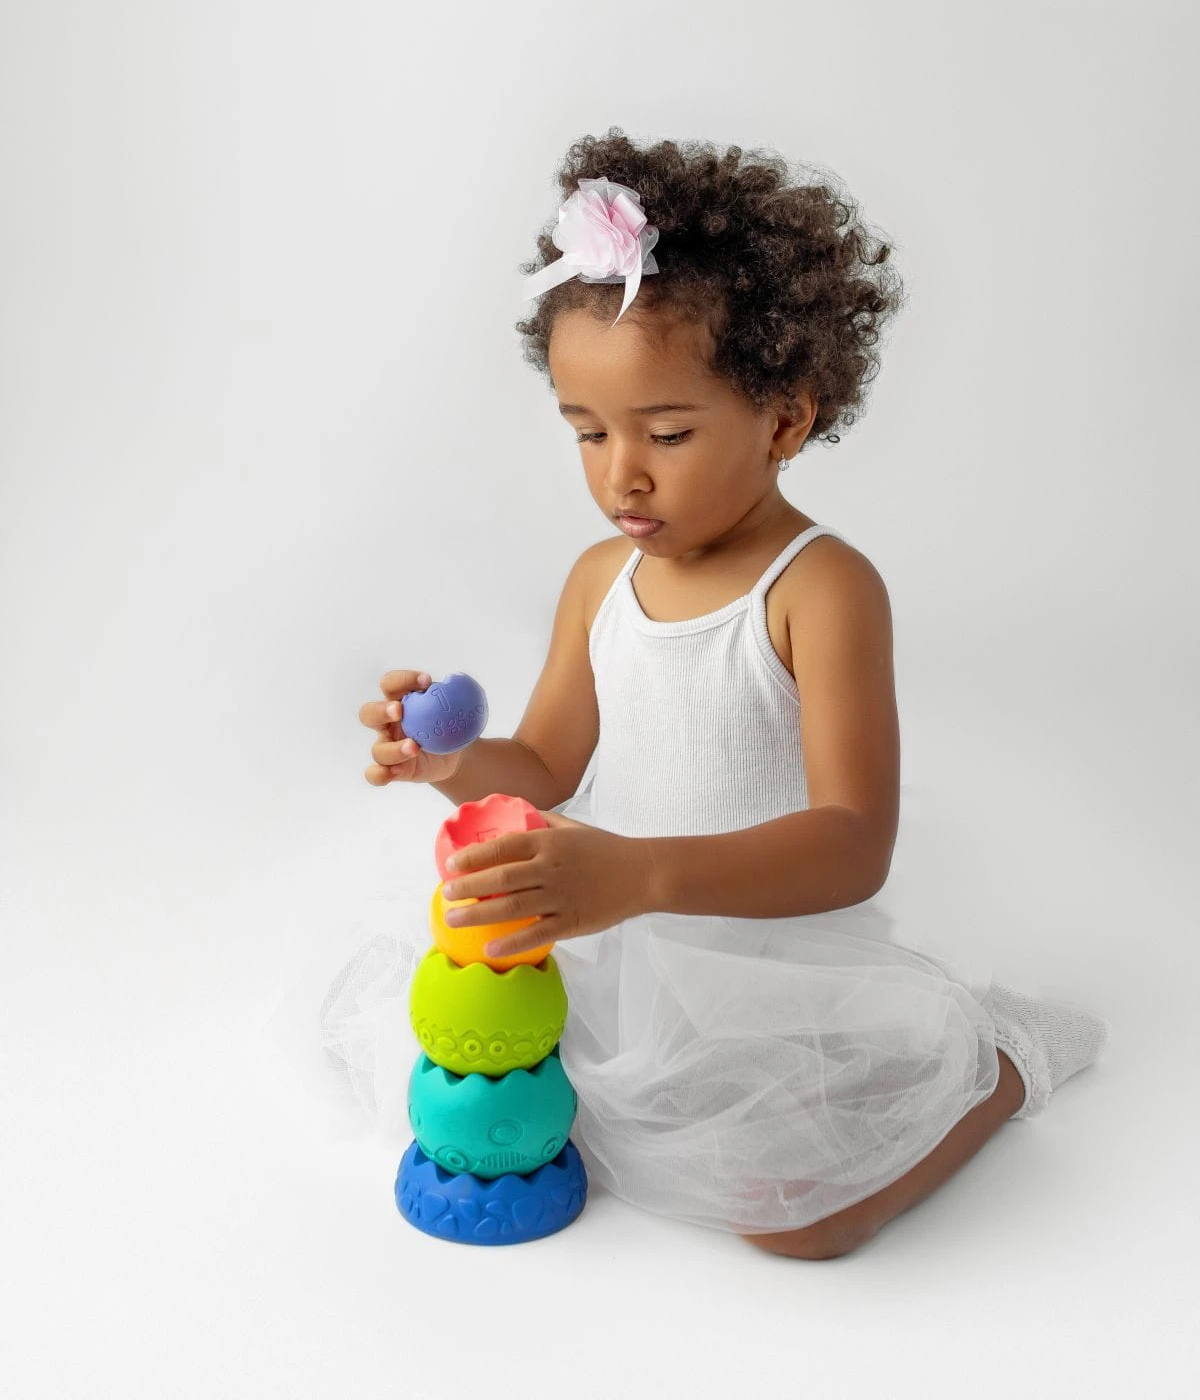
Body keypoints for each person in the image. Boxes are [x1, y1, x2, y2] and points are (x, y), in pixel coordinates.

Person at [320, 129, 1109, 1257]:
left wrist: (639, 873)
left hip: (764, 966)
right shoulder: (600, 579)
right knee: (461, 1074)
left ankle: (1001, 1063)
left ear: (785, 419)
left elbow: (854, 842)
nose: (621, 473)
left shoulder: (820, 588)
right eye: (588, 432)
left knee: (796, 1223)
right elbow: (543, 769)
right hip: (612, 943)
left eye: (668, 432)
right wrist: (451, 763)